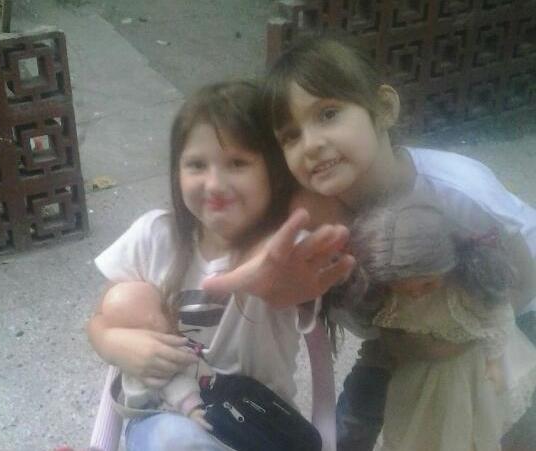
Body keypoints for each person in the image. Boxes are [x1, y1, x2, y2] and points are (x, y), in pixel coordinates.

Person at [202, 35, 536, 451]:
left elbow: (524, 270)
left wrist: (465, 335)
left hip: (504, 314)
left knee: (502, 418)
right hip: (399, 337)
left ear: (385, 108)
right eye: (290, 136)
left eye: (328, 114)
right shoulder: (317, 213)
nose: (311, 144)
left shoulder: (455, 191)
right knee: (352, 425)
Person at [86, 81, 335, 451]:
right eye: (196, 165)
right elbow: (107, 312)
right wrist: (109, 341)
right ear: (176, 171)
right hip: (164, 420)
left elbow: (327, 227)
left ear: (274, 169)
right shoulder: (155, 237)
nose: (215, 184)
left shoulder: (284, 250)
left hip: (254, 426)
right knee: (176, 440)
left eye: (237, 163)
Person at [347, 194, 536, 451]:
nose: (415, 294)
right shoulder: (393, 299)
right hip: (416, 373)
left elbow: (498, 317)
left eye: (427, 284)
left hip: (467, 372)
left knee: (465, 424)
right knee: (415, 426)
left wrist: (494, 361)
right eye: (402, 287)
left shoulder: (460, 291)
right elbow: (389, 328)